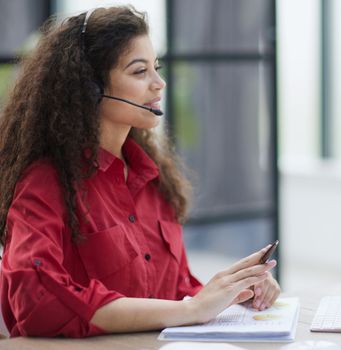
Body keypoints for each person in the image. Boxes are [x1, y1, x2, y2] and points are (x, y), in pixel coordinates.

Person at [0, 6, 280, 338]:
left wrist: (235, 292)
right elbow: (36, 302)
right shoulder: (46, 182)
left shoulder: (154, 179)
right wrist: (191, 309)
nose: (159, 84)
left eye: (156, 68)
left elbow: (174, 291)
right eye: (139, 72)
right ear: (90, 87)